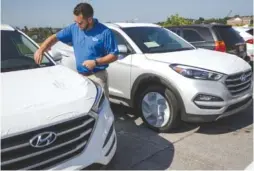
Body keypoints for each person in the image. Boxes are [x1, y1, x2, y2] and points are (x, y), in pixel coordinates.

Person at [34, 2, 119, 98]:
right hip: (80, 77)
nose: (77, 25)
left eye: (80, 23)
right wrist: (41, 49)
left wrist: (95, 62)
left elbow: (114, 55)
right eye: (75, 22)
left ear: (90, 19)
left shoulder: (105, 32)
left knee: (99, 109)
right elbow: (55, 37)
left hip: (98, 77)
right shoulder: (73, 28)